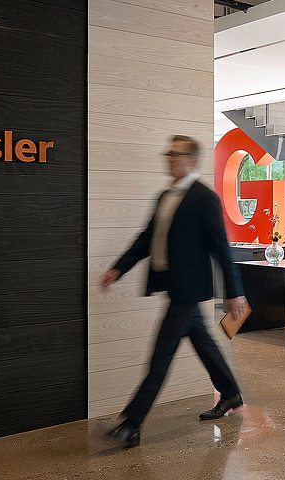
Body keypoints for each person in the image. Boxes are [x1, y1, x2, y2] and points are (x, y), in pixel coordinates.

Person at [100, 135, 248, 448]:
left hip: (188, 291)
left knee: (160, 356)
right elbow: (147, 238)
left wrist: (235, 292)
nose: (169, 158)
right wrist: (119, 268)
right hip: (173, 287)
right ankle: (231, 392)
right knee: (203, 342)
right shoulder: (166, 195)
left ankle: (132, 423)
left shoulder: (204, 198)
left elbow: (222, 248)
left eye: (175, 154)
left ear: (191, 160)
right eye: (167, 153)